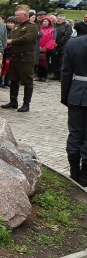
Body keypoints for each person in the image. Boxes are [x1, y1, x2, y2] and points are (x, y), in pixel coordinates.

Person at [1, 5, 40, 112]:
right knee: (14, 80)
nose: (15, 17)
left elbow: (27, 38)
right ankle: (13, 101)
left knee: (27, 80)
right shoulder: (17, 26)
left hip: (25, 58)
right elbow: (10, 37)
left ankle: (26, 104)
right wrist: (8, 42)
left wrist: (12, 41)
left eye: (17, 15)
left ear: (24, 15)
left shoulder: (32, 26)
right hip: (14, 58)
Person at [60, 32, 87, 187]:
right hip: (77, 94)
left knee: (75, 134)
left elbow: (65, 72)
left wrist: (66, 96)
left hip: (76, 93)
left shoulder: (73, 43)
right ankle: (84, 176)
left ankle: (74, 173)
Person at [51, 14, 73, 80]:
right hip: (53, 46)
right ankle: (56, 75)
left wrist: (58, 43)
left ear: (64, 20)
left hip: (63, 46)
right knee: (54, 61)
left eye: (60, 19)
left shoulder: (67, 26)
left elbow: (66, 36)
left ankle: (62, 76)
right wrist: (53, 43)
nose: (59, 20)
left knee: (62, 61)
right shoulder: (53, 26)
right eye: (58, 18)